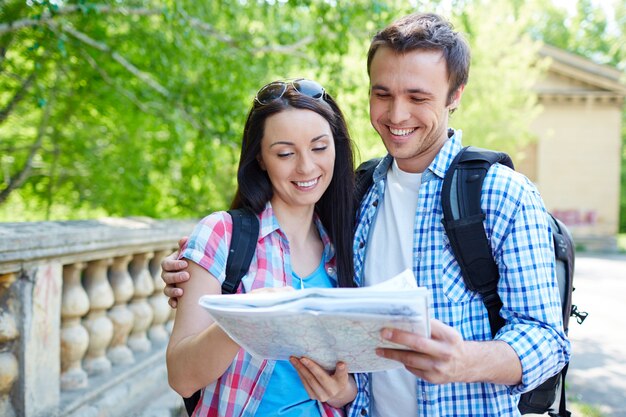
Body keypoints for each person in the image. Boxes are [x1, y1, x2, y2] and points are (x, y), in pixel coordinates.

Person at [163, 13, 571, 417]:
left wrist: (465, 360)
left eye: (418, 97)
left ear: (455, 94)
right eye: (383, 94)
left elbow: (549, 342)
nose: (396, 115)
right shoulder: (356, 196)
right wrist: (201, 272)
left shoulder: (502, 194)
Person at [166, 78, 359, 417]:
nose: (306, 167)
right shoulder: (222, 234)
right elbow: (182, 377)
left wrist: (344, 391)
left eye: (319, 148)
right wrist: (250, 318)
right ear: (260, 158)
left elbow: (358, 374)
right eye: (285, 153)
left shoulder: (346, 244)